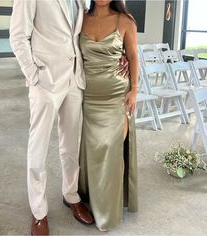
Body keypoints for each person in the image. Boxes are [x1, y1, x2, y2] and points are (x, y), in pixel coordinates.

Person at [9, 0, 94, 235]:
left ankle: (71, 194)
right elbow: (17, 36)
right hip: (46, 82)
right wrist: (34, 76)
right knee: (38, 148)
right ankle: (38, 212)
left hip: (74, 80)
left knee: (70, 145)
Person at [79, 0, 139, 231]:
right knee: (92, 152)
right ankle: (90, 200)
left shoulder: (125, 20)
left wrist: (134, 90)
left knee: (112, 152)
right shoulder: (80, 18)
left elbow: (133, 56)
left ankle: (108, 212)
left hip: (116, 97)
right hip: (87, 98)